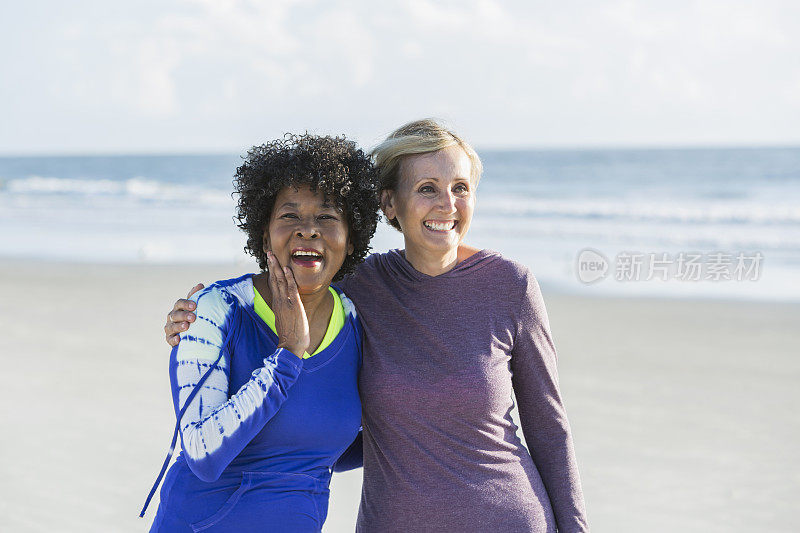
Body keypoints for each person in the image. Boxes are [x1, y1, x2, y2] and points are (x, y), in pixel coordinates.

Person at [166, 120, 589, 532]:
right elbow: (285, 278)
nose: (447, 204)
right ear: (390, 205)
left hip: (508, 519)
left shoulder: (510, 285)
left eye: (461, 188)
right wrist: (192, 322)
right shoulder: (361, 289)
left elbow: (549, 426)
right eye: (427, 189)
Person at [142, 134, 380, 532]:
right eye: (289, 216)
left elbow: (322, 449)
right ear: (264, 233)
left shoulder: (356, 322)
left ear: (351, 236)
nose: (308, 230)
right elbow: (201, 452)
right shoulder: (217, 310)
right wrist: (286, 357)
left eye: (327, 217)